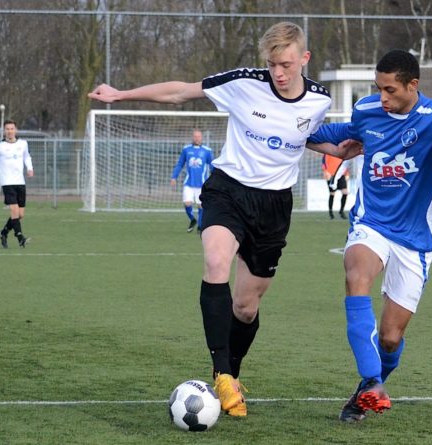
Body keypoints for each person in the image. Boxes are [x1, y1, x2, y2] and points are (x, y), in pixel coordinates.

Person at [89, 21, 359, 417]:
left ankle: (233, 367)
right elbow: (181, 91)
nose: (278, 73)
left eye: (285, 64)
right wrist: (121, 93)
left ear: (304, 58)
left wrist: (343, 148)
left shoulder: (318, 99)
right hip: (227, 190)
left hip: (274, 207)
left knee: (246, 307)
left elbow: (306, 136)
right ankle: (221, 373)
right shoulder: (243, 82)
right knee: (216, 262)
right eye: (271, 64)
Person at [307, 49, 432, 422]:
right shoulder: (368, 110)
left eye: (390, 90)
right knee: (356, 274)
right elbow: (342, 134)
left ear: (413, 85)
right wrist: (295, 130)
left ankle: (366, 390)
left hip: (415, 238)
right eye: (379, 88)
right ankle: (372, 380)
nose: (382, 97)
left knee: (391, 337)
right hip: (371, 222)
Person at [0, 120, 34, 249]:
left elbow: (27, 157)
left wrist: (30, 168)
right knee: (14, 210)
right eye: (7, 129)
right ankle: (20, 237)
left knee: (20, 214)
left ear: (15, 130)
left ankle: (3, 233)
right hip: (7, 183)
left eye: (12, 128)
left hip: (20, 183)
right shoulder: (0, 146)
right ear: (4, 131)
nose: (10, 131)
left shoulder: (23, 144)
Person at [170, 129, 213, 233]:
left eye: (198, 136)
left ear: (201, 137)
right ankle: (192, 219)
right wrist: (174, 177)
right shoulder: (186, 149)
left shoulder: (207, 151)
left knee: (201, 205)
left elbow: (212, 166)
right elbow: (180, 164)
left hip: (202, 184)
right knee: (187, 203)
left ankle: (200, 225)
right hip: (189, 182)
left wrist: (216, 179)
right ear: (192, 137)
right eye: (195, 136)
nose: (197, 138)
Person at [321, 153, 349, 219]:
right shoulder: (329, 150)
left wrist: (347, 173)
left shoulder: (342, 150)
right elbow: (324, 161)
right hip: (331, 174)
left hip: (340, 174)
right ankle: (331, 213)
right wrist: (325, 171)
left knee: (345, 192)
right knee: (332, 193)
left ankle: (341, 211)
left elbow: (345, 162)